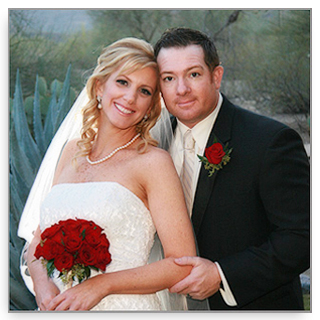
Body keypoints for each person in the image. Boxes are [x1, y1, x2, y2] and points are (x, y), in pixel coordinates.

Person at [18, 37, 198, 311]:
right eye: (123, 82)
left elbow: (181, 263)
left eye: (145, 91)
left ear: (152, 106)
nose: (130, 98)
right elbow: (38, 242)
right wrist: (43, 285)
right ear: (100, 86)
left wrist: (103, 285)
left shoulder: (152, 163)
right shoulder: (71, 152)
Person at [154, 27, 310, 310]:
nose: (181, 89)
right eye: (168, 78)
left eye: (194, 74)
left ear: (216, 76)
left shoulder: (270, 141)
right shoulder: (152, 145)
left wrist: (222, 274)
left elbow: (302, 238)